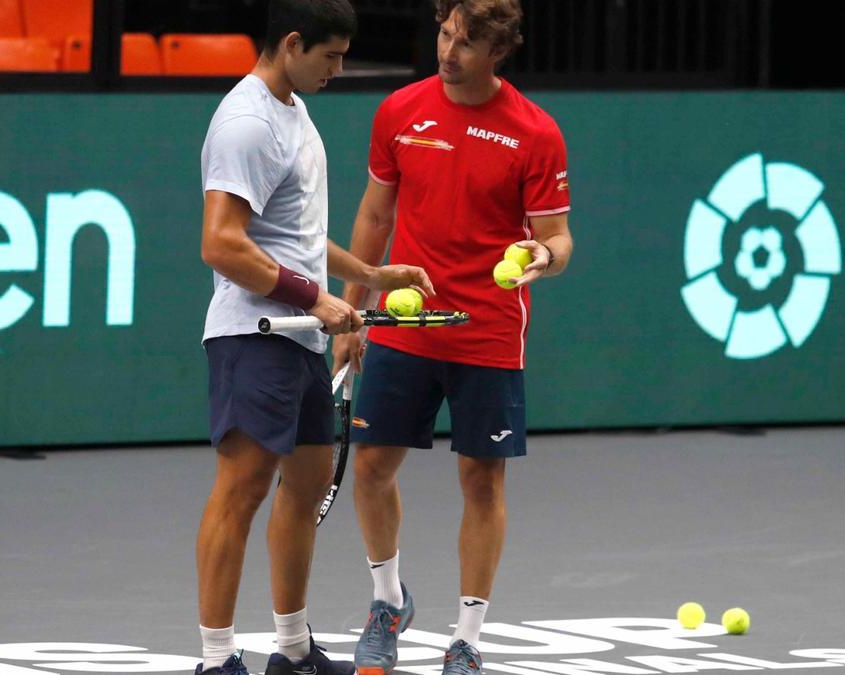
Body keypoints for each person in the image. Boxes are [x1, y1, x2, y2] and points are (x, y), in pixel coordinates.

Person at [332, 1, 573, 674]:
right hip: (406, 322)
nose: (449, 51)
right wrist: (354, 312)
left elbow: (558, 238)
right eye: (445, 34)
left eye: (466, 42)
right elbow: (376, 214)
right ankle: (388, 602)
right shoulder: (400, 111)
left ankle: (467, 636)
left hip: (487, 332)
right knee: (373, 466)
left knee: (481, 481)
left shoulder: (535, 133)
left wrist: (541, 258)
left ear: (498, 52)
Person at [195, 1, 434, 674]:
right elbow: (221, 243)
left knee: (301, 491)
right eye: (330, 56)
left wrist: (368, 273)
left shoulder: (293, 112)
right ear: (293, 43)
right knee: (240, 490)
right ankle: (215, 660)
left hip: (297, 336)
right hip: (255, 333)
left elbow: (293, 234)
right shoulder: (246, 122)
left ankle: (293, 650)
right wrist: (315, 298)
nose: (339, 69)